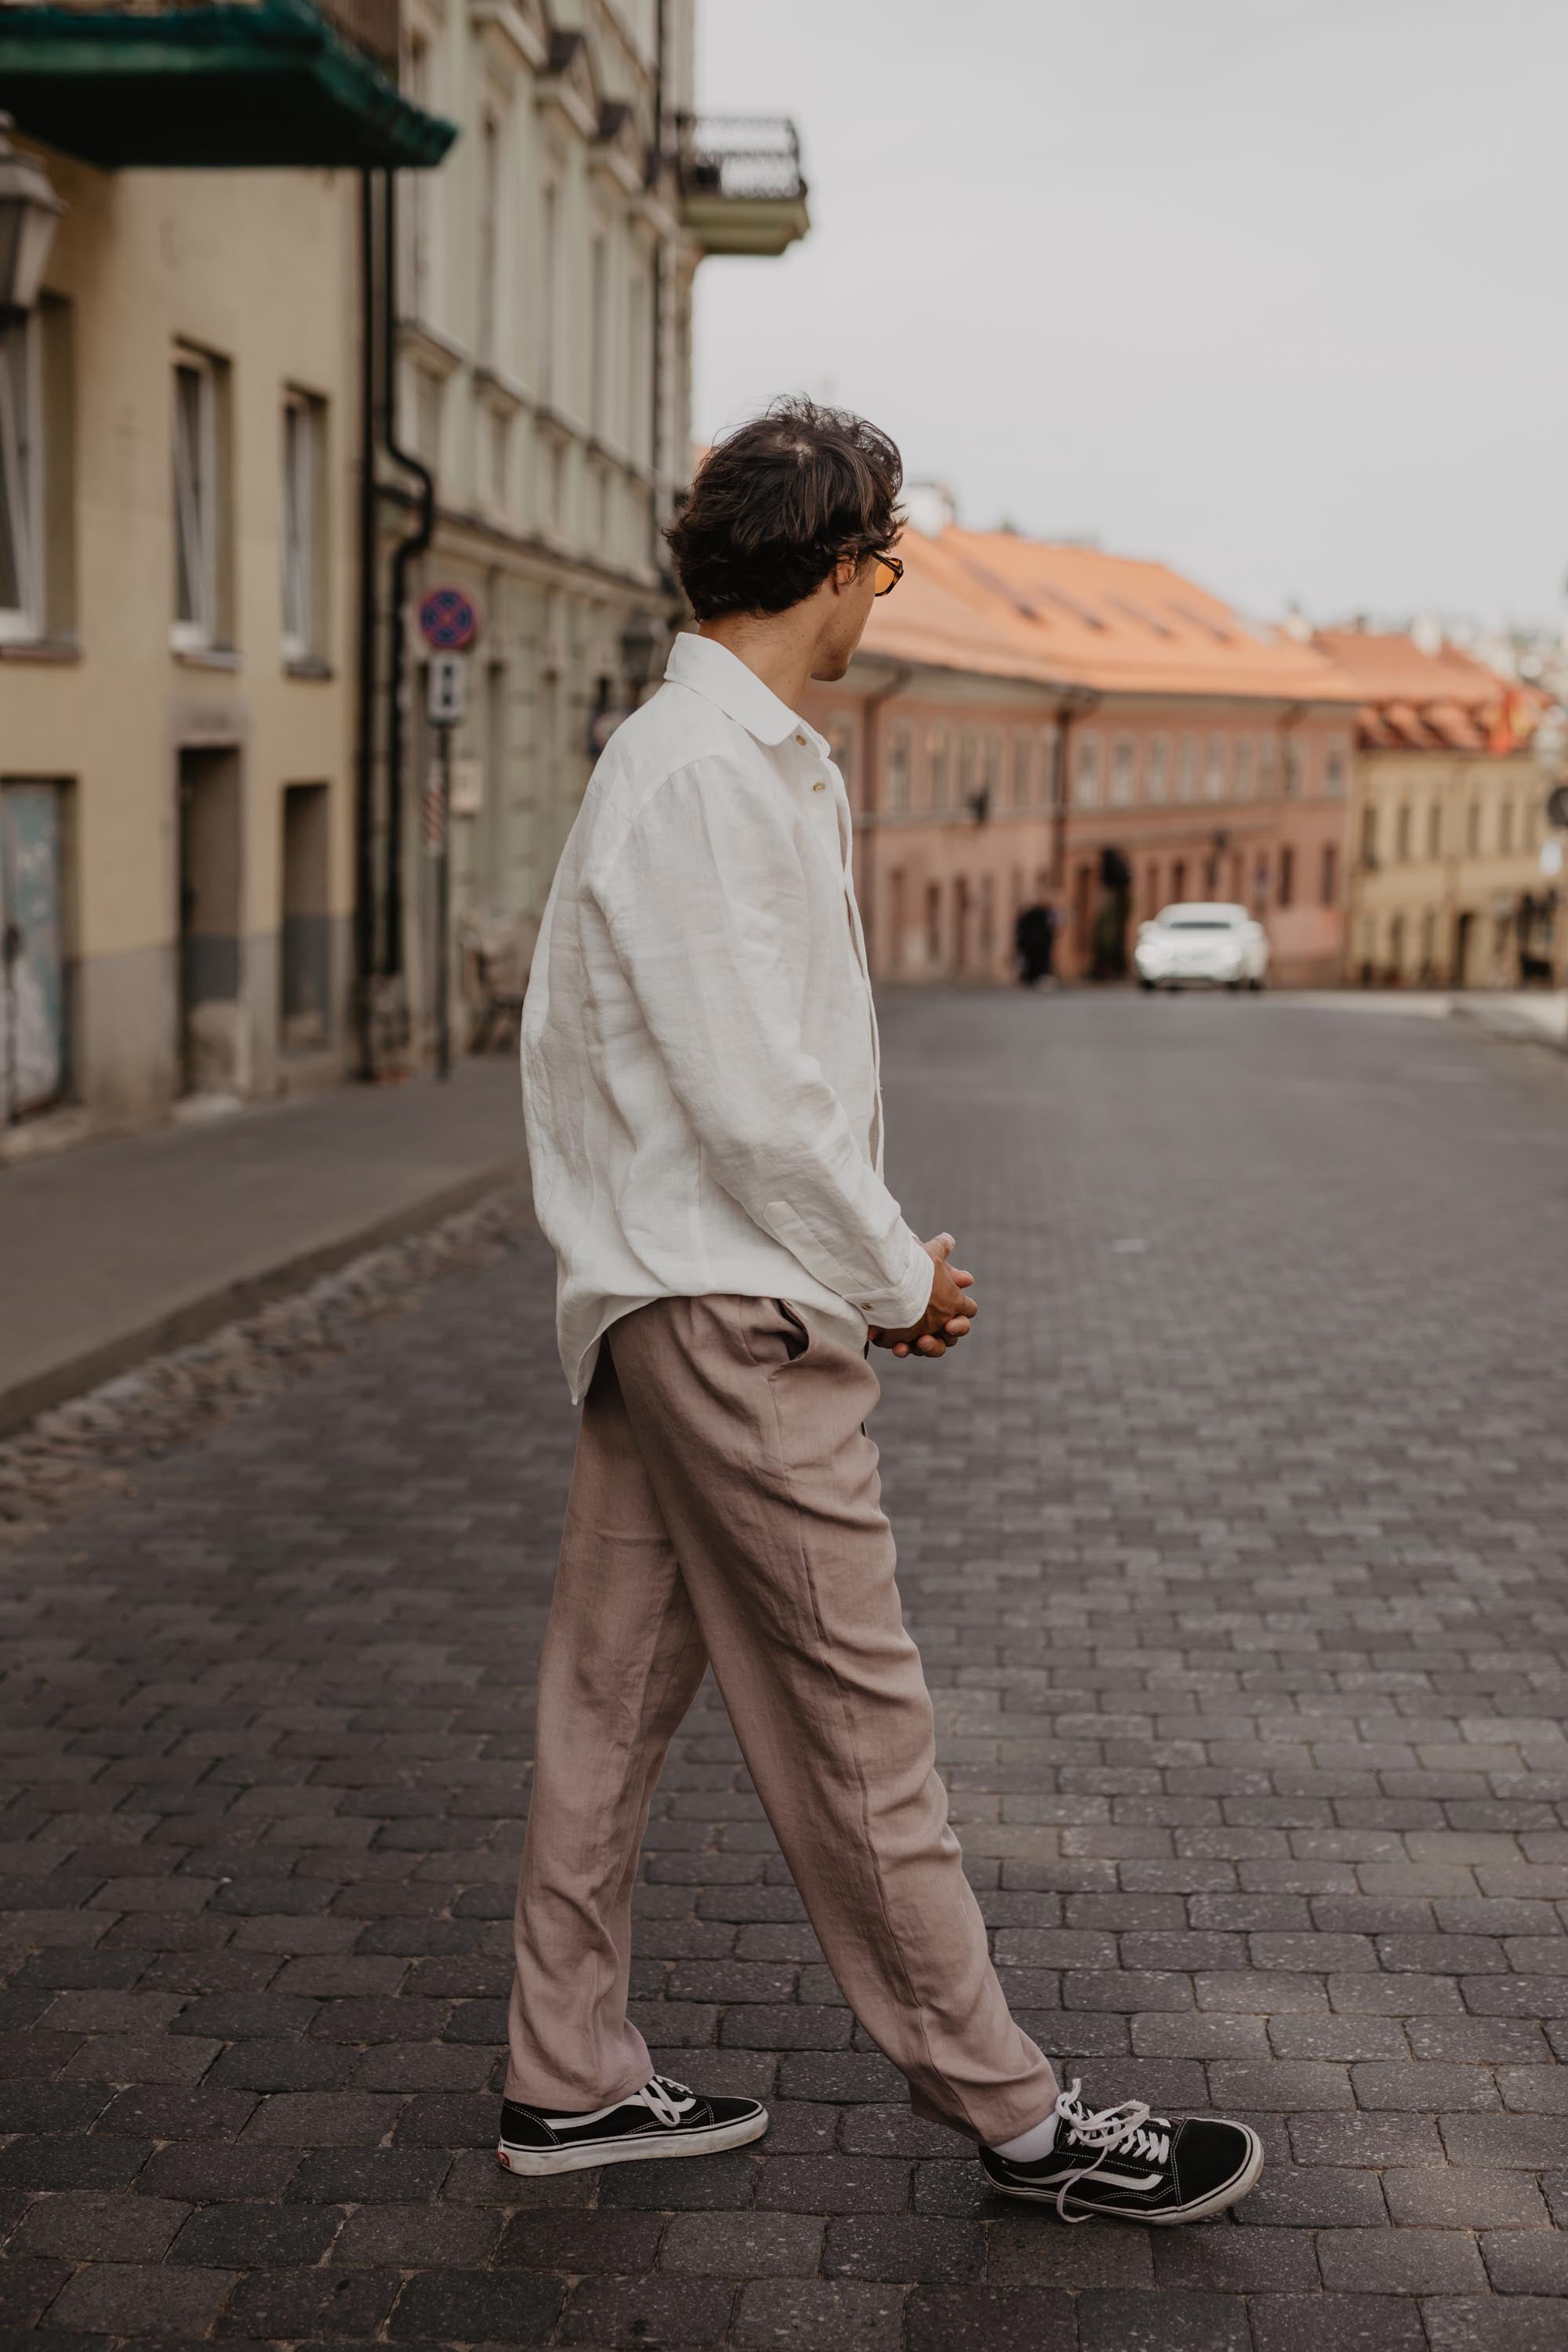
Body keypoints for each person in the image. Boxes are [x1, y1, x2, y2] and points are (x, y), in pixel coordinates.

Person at [503, 397, 1262, 2225]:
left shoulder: (729, 756)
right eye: (884, 560)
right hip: (726, 1308)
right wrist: (896, 1271)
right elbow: (752, 1099)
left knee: (605, 1702)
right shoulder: (696, 773)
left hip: (682, 1290)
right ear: (834, 567)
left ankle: (566, 2069)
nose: (885, 591)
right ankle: (1011, 2110)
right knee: (860, 1720)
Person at [1014, 898, 1058, 987]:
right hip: (1041, 943)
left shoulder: (1029, 916)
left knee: (1032, 962)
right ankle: (1036, 978)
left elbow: (1021, 928)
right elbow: (1050, 927)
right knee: (1040, 962)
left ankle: (1031, 978)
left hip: (1030, 943)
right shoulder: (1045, 916)